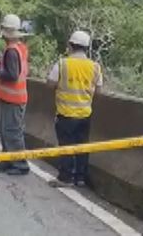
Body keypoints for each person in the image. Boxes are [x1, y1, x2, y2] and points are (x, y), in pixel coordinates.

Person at [47, 30, 103, 188]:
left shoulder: (62, 63)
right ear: (86, 48)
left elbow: (50, 83)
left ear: (71, 46)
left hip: (65, 113)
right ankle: (80, 177)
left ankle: (65, 177)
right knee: (82, 146)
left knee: (66, 145)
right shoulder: (95, 67)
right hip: (85, 114)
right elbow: (99, 91)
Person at [0, 14, 31, 175]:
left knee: (12, 131)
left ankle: (20, 164)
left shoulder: (12, 51)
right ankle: (7, 160)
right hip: (12, 97)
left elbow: (12, 75)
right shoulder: (19, 48)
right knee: (6, 130)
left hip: (14, 98)